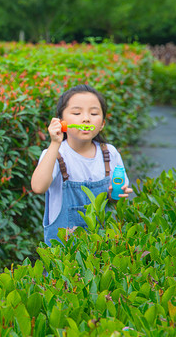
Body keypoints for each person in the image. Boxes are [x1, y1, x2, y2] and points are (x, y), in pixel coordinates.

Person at [30, 84, 133, 246]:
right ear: (61, 122)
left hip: (102, 245)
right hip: (63, 250)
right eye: (77, 113)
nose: (86, 118)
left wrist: (115, 195)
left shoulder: (110, 154)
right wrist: (54, 143)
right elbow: (38, 187)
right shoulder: (55, 154)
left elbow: (117, 198)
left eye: (94, 113)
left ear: (102, 124)